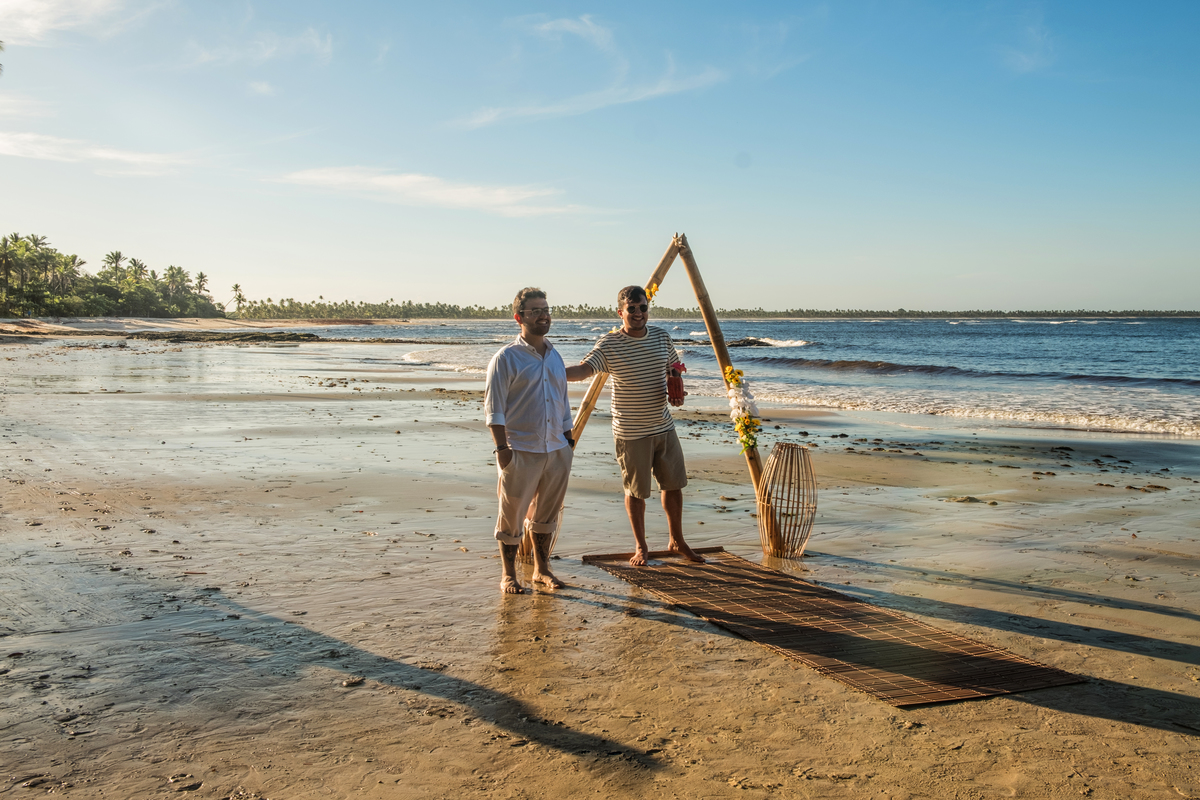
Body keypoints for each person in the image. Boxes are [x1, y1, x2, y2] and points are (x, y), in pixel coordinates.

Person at [565, 285, 704, 567]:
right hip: (631, 432)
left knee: (673, 485)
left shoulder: (662, 337)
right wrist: (547, 370)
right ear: (621, 312)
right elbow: (583, 371)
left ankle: (677, 540)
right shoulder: (609, 344)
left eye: (643, 307)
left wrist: (677, 393)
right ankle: (641, 547)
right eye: (632, 308)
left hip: (663, 425)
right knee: (635, 491)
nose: (638, 313)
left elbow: (674, 369)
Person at [485, 288, 574, 594]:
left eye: (546, 310)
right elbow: (494, 409)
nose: (543, 316)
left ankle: (542, 569)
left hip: (556, 449)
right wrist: (502, 450)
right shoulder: (506, 358)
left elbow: (563, 401)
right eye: (535, 311)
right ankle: (508, 575)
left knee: (547, 513)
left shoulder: (555, 355)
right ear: (519, 318)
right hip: (520, 449)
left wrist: (568, 441)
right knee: (511, 515)